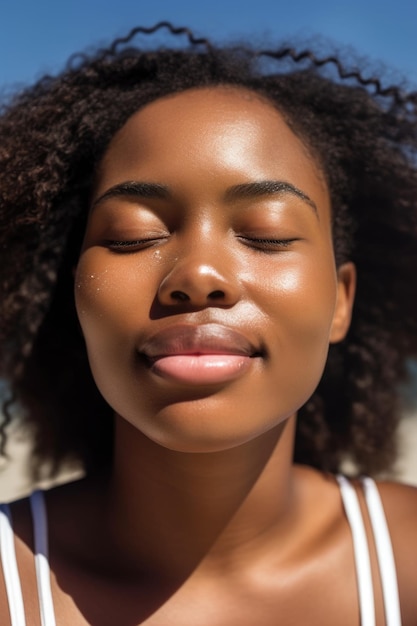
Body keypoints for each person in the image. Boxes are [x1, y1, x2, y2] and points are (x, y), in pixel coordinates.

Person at [0, 21, 416, 626]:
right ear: (76, 302)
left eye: (266, 234)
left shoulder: (406, 566)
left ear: (340, 302)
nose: (197, 275)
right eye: (133, 235)